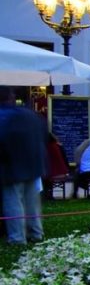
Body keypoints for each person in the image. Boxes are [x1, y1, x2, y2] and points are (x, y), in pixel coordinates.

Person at [0, 86, 47, 244]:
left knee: (13, 201)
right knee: (32, 202)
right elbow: (44, 135)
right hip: (34, 165)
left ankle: (17, 237)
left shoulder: (3, 116)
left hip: (11, 166)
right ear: (11, 97)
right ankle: (36, 232)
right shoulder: (30, 114)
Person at [43, 132, 70, 200]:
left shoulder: (45, 147)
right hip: (63, 173)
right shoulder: (59, 146)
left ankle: (46, 194)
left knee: (42, 177)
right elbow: (65, 160)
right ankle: (48, 194)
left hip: (51, 174)